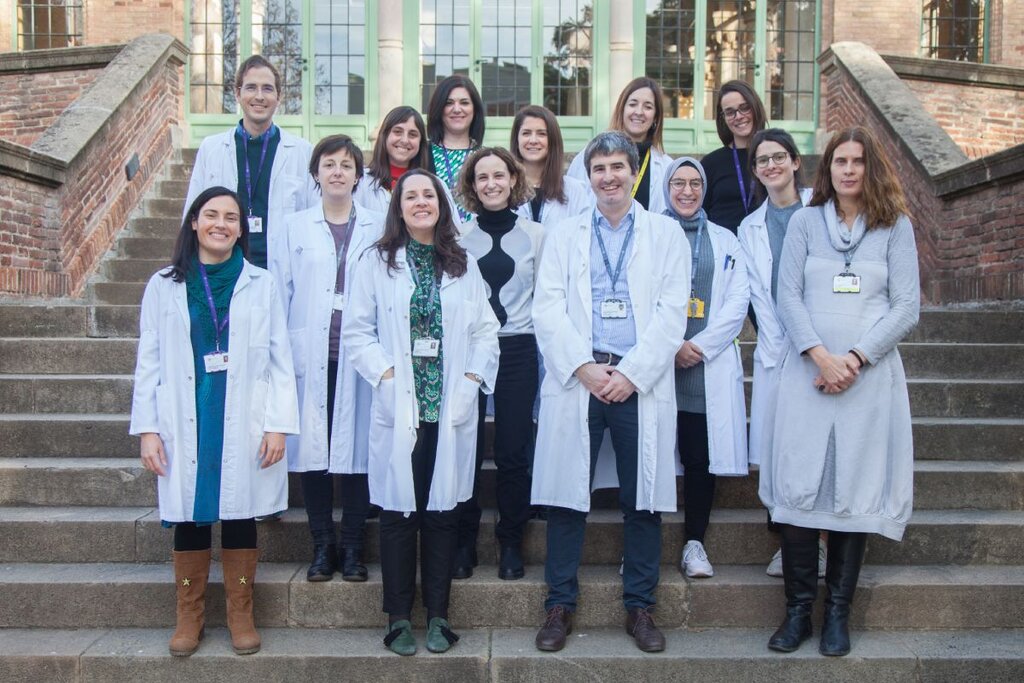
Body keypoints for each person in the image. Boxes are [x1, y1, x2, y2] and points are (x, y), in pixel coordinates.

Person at [762, 126, 919, 657]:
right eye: (838, 161)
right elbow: (787, 296)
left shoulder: (895, 227)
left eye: (857, 161)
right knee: (800, 487)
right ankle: (798, 612)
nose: (848, 170)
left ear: (871, 167)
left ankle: (837, 616)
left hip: (867, 379)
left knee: (853, 491)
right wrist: (820, 355)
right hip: (808, 373)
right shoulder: (806, 222)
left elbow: (906, 307)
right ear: (825, 169)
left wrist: (853, 359)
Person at [531, 131, 690, 654]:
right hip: (582, 377)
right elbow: (547, 307)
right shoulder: (565, 233)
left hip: (636, 380)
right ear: (588, 176)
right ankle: (559, 604)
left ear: (634, 171)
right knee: (565, 496)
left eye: (618, 167)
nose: (609, 177)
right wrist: (583, 367)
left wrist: (632, 373)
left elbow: (672, 312)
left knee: (642, 495)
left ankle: (640, 606)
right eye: (599, 168)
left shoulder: (666, 235)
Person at [129, 187, 299, 657]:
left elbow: (281, 358)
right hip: (188, 413)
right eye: (211, 215)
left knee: (241, 511)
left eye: (230, 217)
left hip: (245, 410)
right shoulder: (164, 284)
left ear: (241, 229)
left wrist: (278, 425)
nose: (220, 223)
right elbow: (150, 359)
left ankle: (240, 613)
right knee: (190, 512)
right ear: (194, 223)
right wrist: (147, 429)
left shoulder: (260, 282)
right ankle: (190, 616)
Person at [343, 169, 500, 656]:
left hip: (447, 406)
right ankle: (396, 618)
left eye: (427, 194)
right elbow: (357, 332)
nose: (420, 202)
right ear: (398, 207)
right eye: (409, 196)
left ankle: (438, 617)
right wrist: (387, 379)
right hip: (400, 404)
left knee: (442, 512)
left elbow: (485, 330)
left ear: (440, 204)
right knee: (397, 512)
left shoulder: (461, 262)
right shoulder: (375, 261)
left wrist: (472, 383)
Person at [278, 135, 385, 583]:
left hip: (360, 356)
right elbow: (282, 291)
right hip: (311, 355)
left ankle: (355, 546)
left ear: (359, 176)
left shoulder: (380, 226)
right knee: (314, 454)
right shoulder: (294, 226)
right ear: (316, 173)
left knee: (361, 450)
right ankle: (323, 546)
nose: (338, 171)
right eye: (329, 164)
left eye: (347, 165)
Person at [452, 147, 544, 581]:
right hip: (470, 352)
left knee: (512, 451)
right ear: (471, 186)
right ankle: (464, 541)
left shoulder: (538, 236)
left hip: (518, 350)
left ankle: (511, 542)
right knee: (466, 450)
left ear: (513, 179)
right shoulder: (457, 238)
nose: (491, 184)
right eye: (481, 177)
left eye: (499, 175)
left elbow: (546, 299)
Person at [737, 128, 825, 579]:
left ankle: (822, 543)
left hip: (824, 346)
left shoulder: (823, 210)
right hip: (775, 350)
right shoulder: (749, 227)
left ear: (794, 162)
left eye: (778, 158)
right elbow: (753, 296)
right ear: (754, 171)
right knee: (777, 450)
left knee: (817, 447)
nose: (770, 166)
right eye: (761, 160)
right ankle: (787, 541)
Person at [661, 157, 750, 579]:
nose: (687, 191)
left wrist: (696, 346)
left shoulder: (725, 239)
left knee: (698, 458)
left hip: (700, 367)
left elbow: (737, 302)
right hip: (658, 367)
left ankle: (694, 542)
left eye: (695, 182)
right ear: (666, 187)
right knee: (653, 456)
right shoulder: (648, 232)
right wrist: (669, 345)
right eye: (678, 182)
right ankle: (643, 544)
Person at [183, 55, 318, 273]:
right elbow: (192, 212)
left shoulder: (302, 152)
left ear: (278, 96)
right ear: (237, 93)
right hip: (224, 269)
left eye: (267, 89)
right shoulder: (212, 148)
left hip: (281, 270)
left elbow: (314, 217)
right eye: (251, 88)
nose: (259, 96)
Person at [566, 78, 671, 214]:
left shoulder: (666, 166)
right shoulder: (589, 156)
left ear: (656, 116)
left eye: (648, 107)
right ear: (622, 109)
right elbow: (571, 207)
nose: (639, 112)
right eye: (633, 104)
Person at [354, 105, 460, 217]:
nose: (405, 140)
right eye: (398, 132)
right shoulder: (361, 181)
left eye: (412, 134)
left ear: (421, 142)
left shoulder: (437, 185)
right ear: (384, 136)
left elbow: (452, 231)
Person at [701, 80, 769, 233]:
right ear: (723, 118)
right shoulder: (711, 163)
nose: (738, 116)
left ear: (755, 107)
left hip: (765, 250)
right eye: (730, 112)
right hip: (723, 252)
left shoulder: (773, 158)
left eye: (745, 108)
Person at [510, 105, 591, 226]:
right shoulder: (503, 188)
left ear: (552, 140)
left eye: (541, 134)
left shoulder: (574, 190)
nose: (533, 140)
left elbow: (584, 236)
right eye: (526, 133)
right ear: (517, 140)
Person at [426, 75, 485, 222]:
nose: (457, 109)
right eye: (449, 103)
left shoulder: (486, 157)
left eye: (464, 103)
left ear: (474, 109)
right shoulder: (421, 154)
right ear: (439, 109)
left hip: (479, 241)